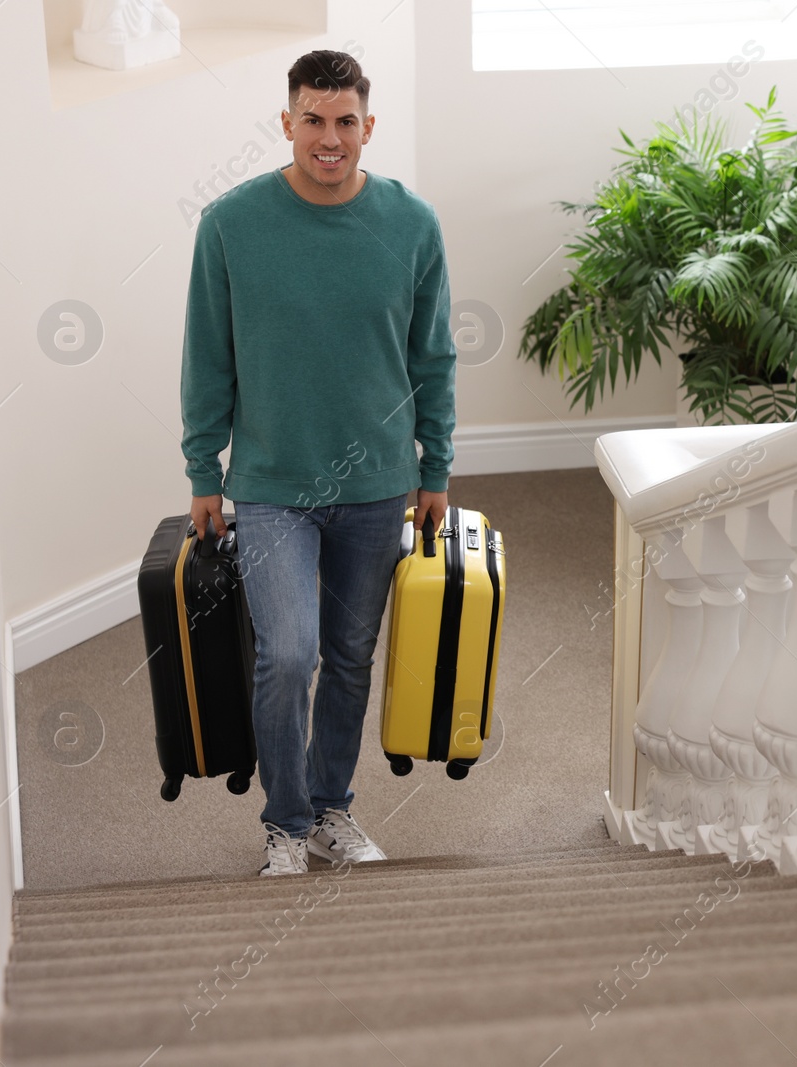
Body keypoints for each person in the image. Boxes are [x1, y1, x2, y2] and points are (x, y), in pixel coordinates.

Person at [179, 49, 456, 876]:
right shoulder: (231, 224)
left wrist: (435, 465)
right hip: (269, 486)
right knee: (288, 652)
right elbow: (208, 357)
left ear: (367, 127)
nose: (328, 139)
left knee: (348, 655)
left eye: (345, 123)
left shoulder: (412, 224)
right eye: (313, 120)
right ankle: (287, 824)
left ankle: (334, 809)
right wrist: (203, 469)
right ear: (288, 122)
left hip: (377, 483)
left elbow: (433, 358)